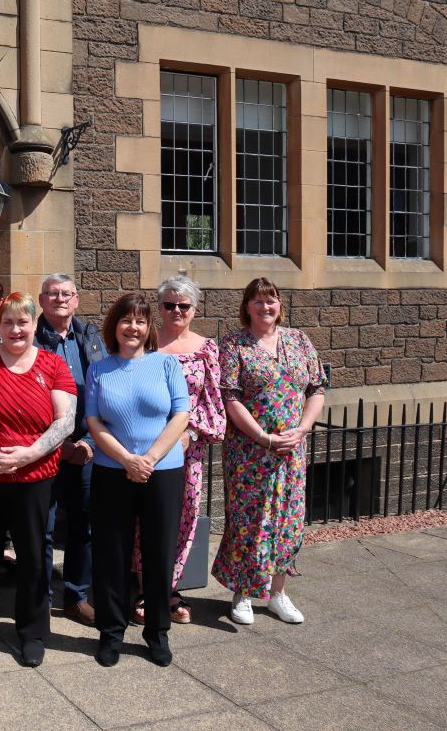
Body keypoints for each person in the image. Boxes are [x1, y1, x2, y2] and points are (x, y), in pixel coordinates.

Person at [0, 293, 77, 667]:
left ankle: (33, 632)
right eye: (8, 322)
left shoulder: (53, 365)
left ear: (34, 325)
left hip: (34, 478)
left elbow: (65, 421)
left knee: (35, 556)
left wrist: (28, 454)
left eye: (23, 322)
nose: (16, 329)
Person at [213, 277, 326, 626]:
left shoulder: (299, 340)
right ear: (247, 306)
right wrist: (263, 437)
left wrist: (302, 429)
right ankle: (243, 593)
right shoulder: (234, 344)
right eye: (258, 301)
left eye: (272, 300)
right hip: (249, 452)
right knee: (249, 521)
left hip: (291, 451)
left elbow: (317, 388)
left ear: (280, 304)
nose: (266, 307)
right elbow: (228, 396)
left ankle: (277, 593)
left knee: (288, 522)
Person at [86, 292, 190, 668]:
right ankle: (111, 632)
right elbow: (94, 422)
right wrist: (128, 459)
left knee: (158, 553)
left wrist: (149, 458)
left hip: (162, 471)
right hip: (113, 471)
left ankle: (157, 632)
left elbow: (181, 414)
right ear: (114, 326)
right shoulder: (99, 368)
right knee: (111, 554)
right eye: (126, 320)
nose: (133, 327)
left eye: (141, 321)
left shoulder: (166, 365)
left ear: (149, 329)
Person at [131, 275, 226, 624]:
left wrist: (191, 434)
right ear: (158, 308)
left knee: (181, 518)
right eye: (168, 304)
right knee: (144, 518)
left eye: (183, 305)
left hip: (188, 450)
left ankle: (168, 587)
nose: (175, 311)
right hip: (145, 448)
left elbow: (213, 403)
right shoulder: (145, 344)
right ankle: (144, 587)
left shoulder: (206, 349)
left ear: (194, 309)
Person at [34, 273, 106, 626]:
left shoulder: (91, 337)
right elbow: (24, 399)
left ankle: (76, 595)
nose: (60, 298)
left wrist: (89, 443)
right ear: (41, 300)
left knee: (84, 524)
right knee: (42, 527)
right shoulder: (29, 338)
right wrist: (59, 446)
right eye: (52, 293)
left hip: (87, 447)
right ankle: (41, 599)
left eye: (66, 293)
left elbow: (106, 391)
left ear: (76, 300)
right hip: (45, 449)